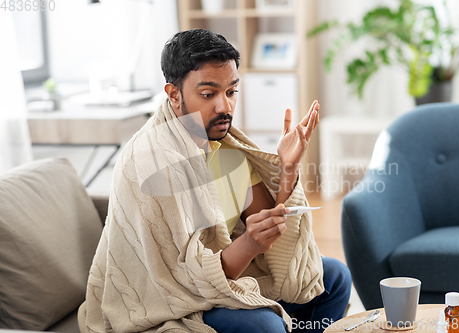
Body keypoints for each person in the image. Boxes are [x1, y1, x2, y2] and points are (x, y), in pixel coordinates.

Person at [78, 29, 351, 333]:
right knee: (264, 326)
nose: (225, 107)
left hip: (223, 278)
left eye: (232, 91)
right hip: (174, 301)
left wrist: (288, 169)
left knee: (335, 277)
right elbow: (181, 280)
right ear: (174, 94)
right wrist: (248, 243)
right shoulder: (150, 162)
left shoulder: (223, 146)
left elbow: (263, 227)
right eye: (208, 94)